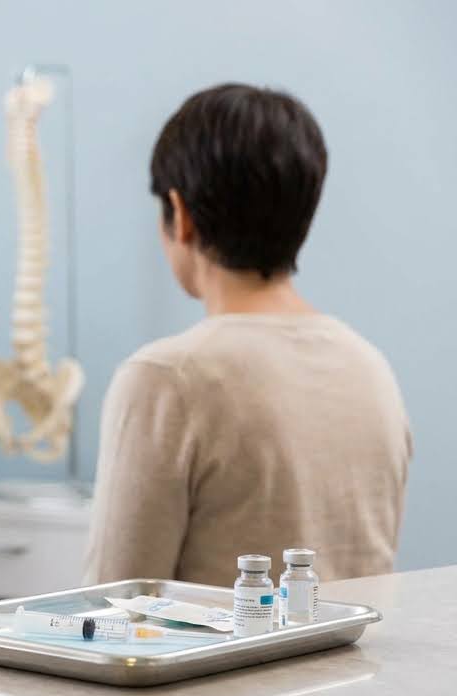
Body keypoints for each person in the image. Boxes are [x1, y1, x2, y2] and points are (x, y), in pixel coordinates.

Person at [82, 83, 411, 586]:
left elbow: (114, 607)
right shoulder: (370, 368)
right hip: (355, 668)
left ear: (181, 214)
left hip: (216, 669)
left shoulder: (165, 380)